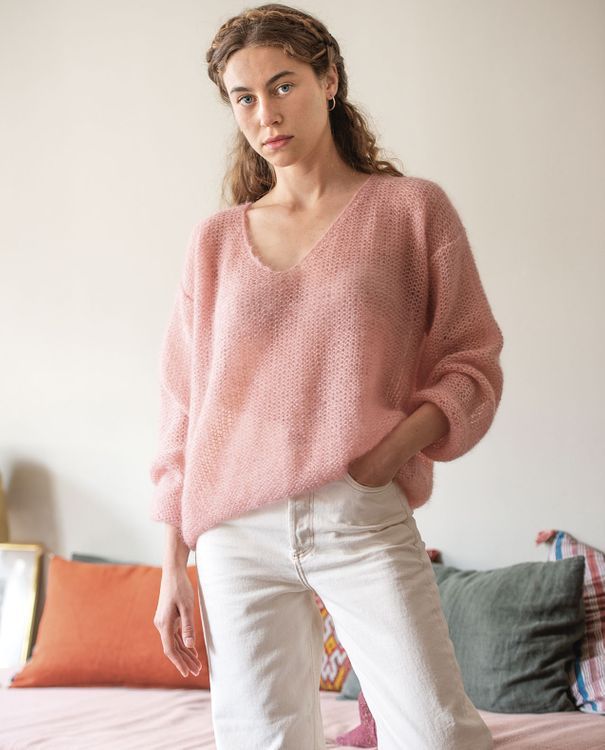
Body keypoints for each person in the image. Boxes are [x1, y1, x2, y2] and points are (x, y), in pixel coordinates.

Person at [150, 4, 503, 749]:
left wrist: (381, 456)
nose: (264, 113)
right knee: (262, 740)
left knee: (438, 734)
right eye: (243, 97)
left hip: (356, 514)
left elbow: (469, 361)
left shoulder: (411, 211)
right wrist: (172, 566)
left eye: (282, 86)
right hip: (232, 532)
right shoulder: (213, 242)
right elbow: (182, 406)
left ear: (329, 79)